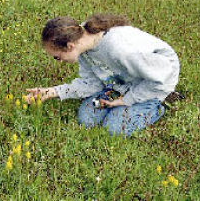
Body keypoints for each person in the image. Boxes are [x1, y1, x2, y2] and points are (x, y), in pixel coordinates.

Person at [25, 14, 180, 137]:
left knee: (113, 128)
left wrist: (126, 100)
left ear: (69, 46)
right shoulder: (83, 44)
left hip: (155, 82)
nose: (58, 61)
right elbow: (91, 84)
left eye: (56, 57)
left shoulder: (120, 49)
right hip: (122, 84)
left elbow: (161, 76)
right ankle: (121, 96)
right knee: (86, 119)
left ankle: (156, 105)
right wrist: (53, 92)